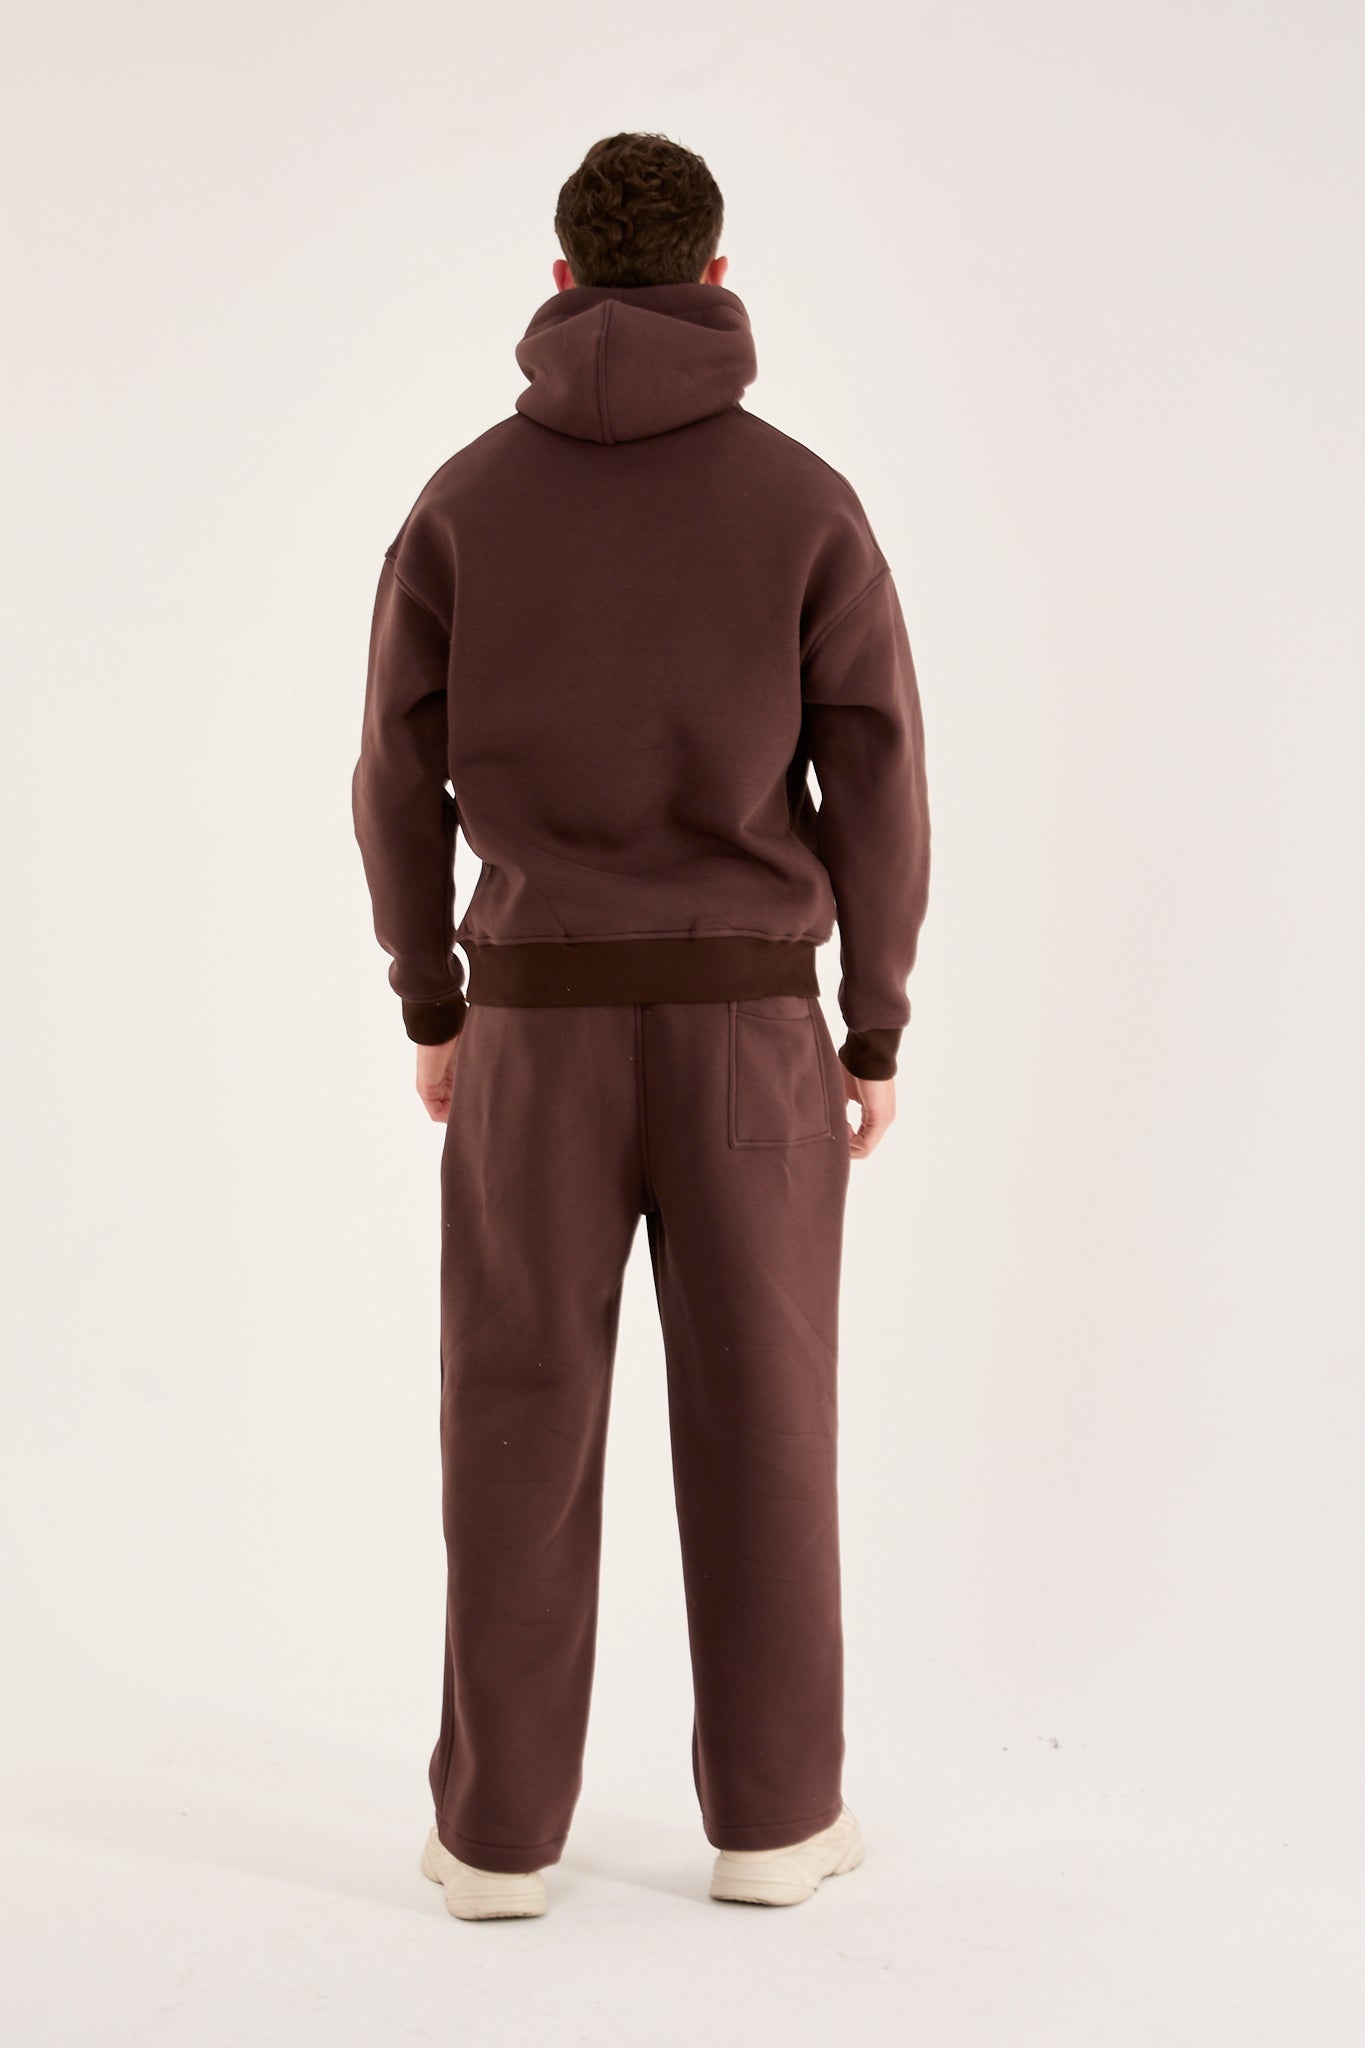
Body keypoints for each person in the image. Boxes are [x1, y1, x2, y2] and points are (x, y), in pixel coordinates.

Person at [351, 131, 931, 1921]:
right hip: (751, 1031)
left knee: (513, 1416)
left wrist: (434, 999)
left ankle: (494, 1842)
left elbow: (391, 780)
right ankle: (775, 1823)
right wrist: (872, 1026)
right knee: (767, 1417)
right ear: (715, 274)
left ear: (558, 280)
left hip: (532, 1029)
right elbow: (879, 781)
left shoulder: (462, 502)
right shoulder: (803, 501)